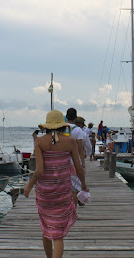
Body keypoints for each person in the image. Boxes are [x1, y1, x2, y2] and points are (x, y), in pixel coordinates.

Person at [24, 110, 88, 258]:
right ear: (62, 125)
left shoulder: (39, 142)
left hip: (44, 194)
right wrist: (84, 186)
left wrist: (29, 186)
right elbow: (78, 168)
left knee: (46, 228)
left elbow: (39, 171)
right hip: (62, 193)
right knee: (58, 235)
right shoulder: (70, 141)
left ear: (46, 126)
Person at [65, 108, 86, 198]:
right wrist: (83, 164)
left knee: (64, 186)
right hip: (74, 160)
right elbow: (80, 148)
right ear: (76, 117)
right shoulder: (78, 130)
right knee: (74, 188)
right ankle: (74, 206)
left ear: (66, 116)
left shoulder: (62, 128)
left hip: (62, 159)